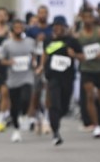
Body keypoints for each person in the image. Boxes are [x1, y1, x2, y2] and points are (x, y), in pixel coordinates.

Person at [35, 15, 84, 146]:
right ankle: (55, 132)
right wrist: (41, 66)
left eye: (59, 26)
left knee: (64, 106)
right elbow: (45, 53)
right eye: (55, 26)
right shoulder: (48, 40)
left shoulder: (71, 41)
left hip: (67, 77)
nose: (57, 28)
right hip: (53, 76)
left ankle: (55, 119)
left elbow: (82, 56)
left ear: (64, 27)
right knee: (54, 103)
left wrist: (75, 55)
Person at [76, 10, 100, 138]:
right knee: (90, 96)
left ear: (93, 19)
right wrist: (79, 56)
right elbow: (73, 51)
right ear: (82, 19)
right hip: (86, 69)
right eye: (85, 17)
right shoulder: (79, 35)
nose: (88, 20)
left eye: (90, 17)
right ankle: (96, 126)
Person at [0, 19, 37, 143]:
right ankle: (16, 130)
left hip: (27, 76)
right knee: (14, 105)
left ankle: (24, 115)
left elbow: (34, 55)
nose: (18, 29)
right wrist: (9, 62)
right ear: (12, 29)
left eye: (21, 27)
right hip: (13, 78)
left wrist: (34, 62)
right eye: (16, 27)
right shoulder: (7, 44)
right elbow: (1, 60)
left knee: (26, 98)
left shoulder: (30, 42)